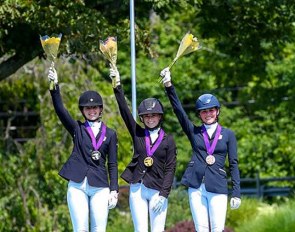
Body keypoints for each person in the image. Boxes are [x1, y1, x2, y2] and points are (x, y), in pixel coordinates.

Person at [160, 67, 241, 232]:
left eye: (211, 110)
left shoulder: (228, 134)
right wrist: (169, 85)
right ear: (199, 115)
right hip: (196, 186)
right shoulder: (195, 132)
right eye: (204, 111)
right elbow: (179, 112)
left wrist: (237, 192)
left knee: (217, 229)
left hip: (217, 186)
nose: (208, 114)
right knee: (201, 229)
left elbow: (233, 164)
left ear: (217, 111)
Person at [47, 67, 119, 232]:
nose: (92, 111)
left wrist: (114, 189)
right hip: (77, 185)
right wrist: (54, 86)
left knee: (99, 229)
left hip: (100, 186)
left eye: (95, 108)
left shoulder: (110, 133)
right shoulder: (76, 129)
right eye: (87, 108)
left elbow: (113, 164)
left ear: (100, 109)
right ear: (83, 111)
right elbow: (60, 110)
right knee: (80, 229)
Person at [109, 67, 177, 232]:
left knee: (158, 230)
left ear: (160, 117)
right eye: (147, 116)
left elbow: (170, 169)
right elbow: (125, 112)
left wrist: (164, 194)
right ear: (142, 118)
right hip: (137, 188)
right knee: (140, 230)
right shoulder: (138, 133)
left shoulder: (169, 140)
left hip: (158, 189)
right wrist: (117, 86)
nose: (150, 119)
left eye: (153, 115)